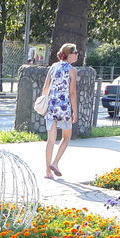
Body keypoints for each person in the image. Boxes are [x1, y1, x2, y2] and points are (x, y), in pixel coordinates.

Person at [43, 42, 80, 179]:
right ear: (69, 54)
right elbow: (72, 93)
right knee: (66, 137)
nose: (77, 55)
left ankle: (47, 171)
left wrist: (45, 102)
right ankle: (55, 163)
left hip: (52, 107)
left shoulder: (53, 67)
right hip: (64, 109)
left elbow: (46, 88)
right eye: (75, 52)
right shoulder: (72, 70)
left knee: (50, 140)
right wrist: (75, 111)